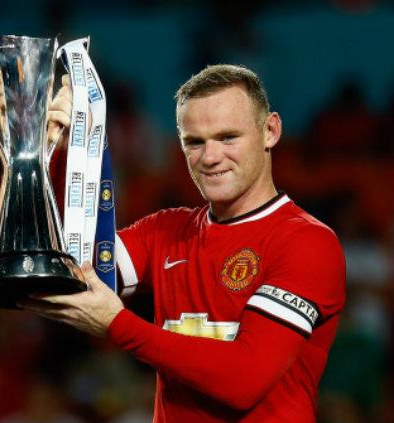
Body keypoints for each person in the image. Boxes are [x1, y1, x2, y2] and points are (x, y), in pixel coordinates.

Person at [21, 64, 346, 422]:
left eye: (227, 137)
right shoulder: (166, 229)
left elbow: (244, 380)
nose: (210, 157)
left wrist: (117, 324)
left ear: (270, 131)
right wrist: (66, 153)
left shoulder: (306, 241)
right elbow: (70, 272)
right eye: (195, 141)